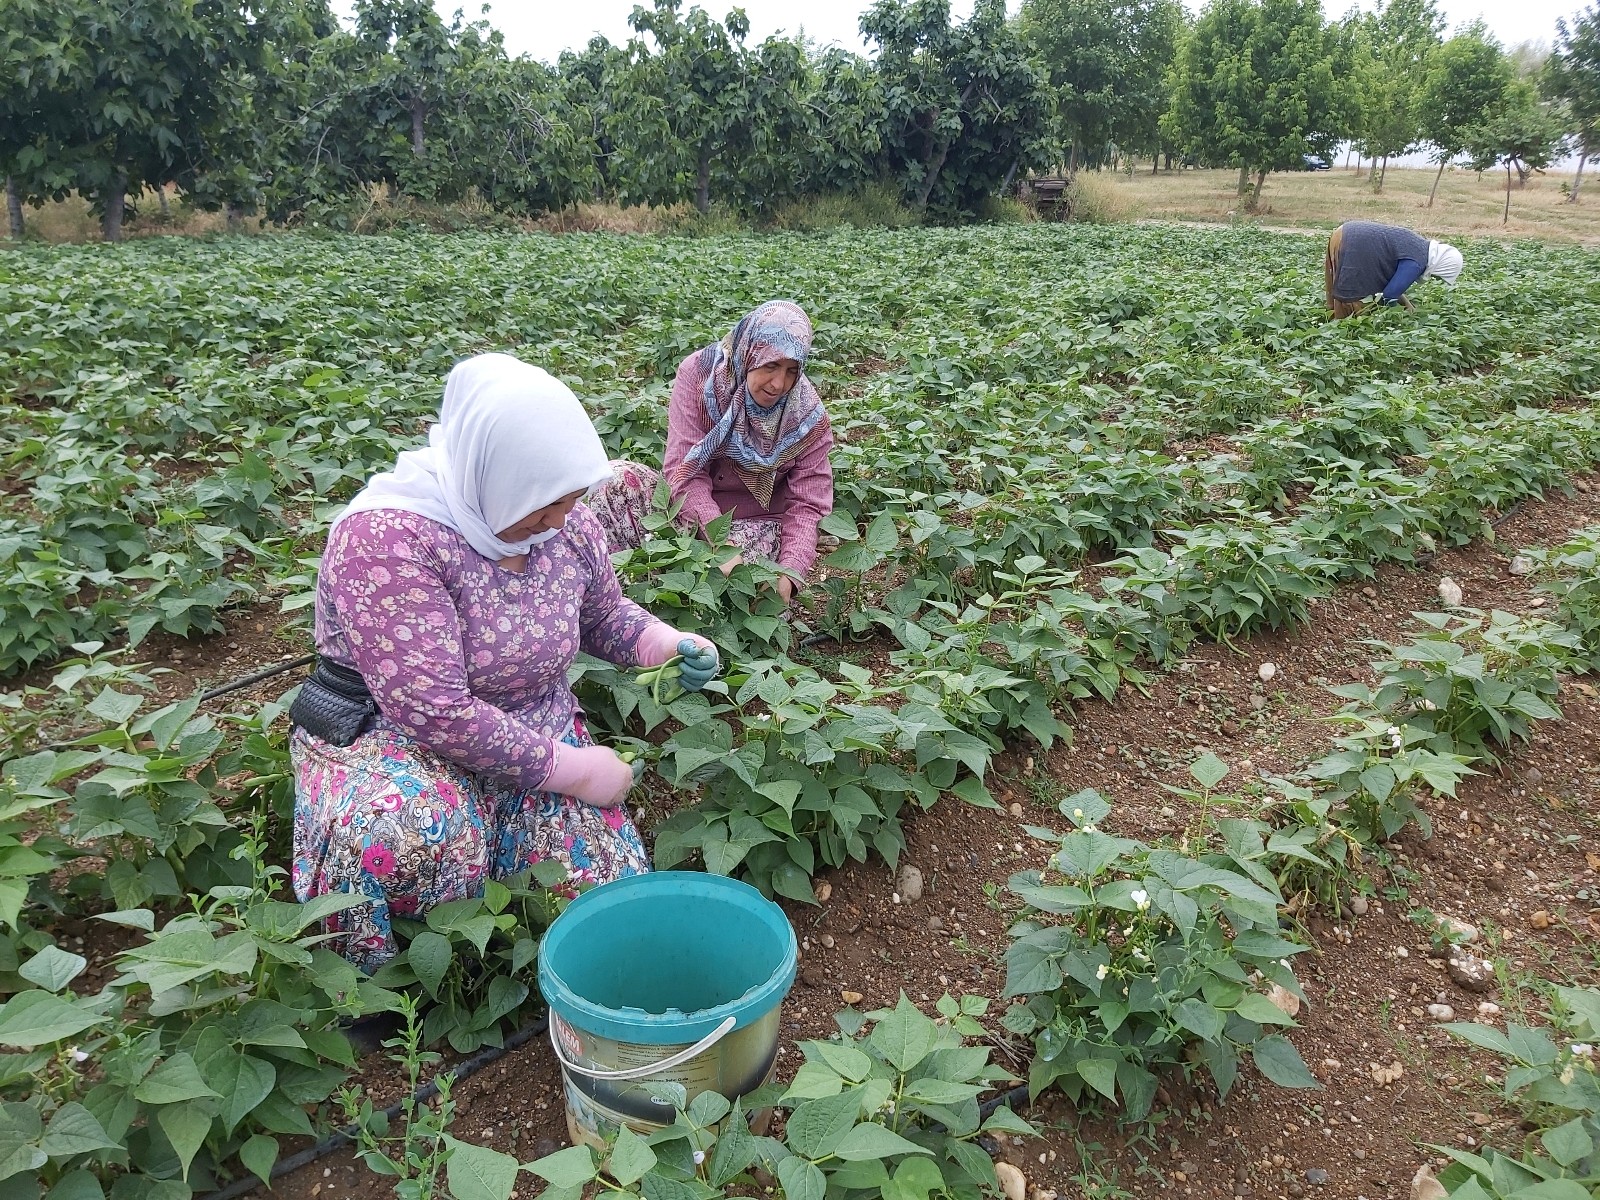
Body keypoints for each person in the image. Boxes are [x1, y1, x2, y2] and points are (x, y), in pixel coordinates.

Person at [288, 352, 720, 972]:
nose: (557, 519)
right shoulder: (388, 541)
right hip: (396, 737)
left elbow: (602, 616)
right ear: (492, 473)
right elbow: (435, 711)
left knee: (607, 897)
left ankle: (509, 933)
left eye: (567, 500)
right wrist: (572, 769)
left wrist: (666, 642)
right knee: (407, 837)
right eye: (541, 504)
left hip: (531, 720)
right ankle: (375, 985)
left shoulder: (565, 527)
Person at [587, 300, 834, 604]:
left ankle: (674, 607)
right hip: (690, 510)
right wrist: (720, 542)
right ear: (749, 352)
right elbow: (684, 470)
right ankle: (613, 604)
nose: (778, 384)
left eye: (791, 370)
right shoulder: (700, 377)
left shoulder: (806, 417)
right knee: (614, 481)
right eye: (771, 365)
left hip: (758, 526)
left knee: (738, 582)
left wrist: (788, 575)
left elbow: (807, 506)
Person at [1324, 220, 1464, 318]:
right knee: (1353, 296)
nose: (1433, 278)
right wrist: (1396, 316)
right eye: (1437, 276)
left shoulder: (1419, 247)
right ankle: (1343, 329)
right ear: (1441, 266)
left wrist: (1407, 305)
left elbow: (1392, 284)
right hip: (1354, 242)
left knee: (1337, 278)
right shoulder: (1415, 263)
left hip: (1344, 232)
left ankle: (1331, 316)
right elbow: (1390, 295)